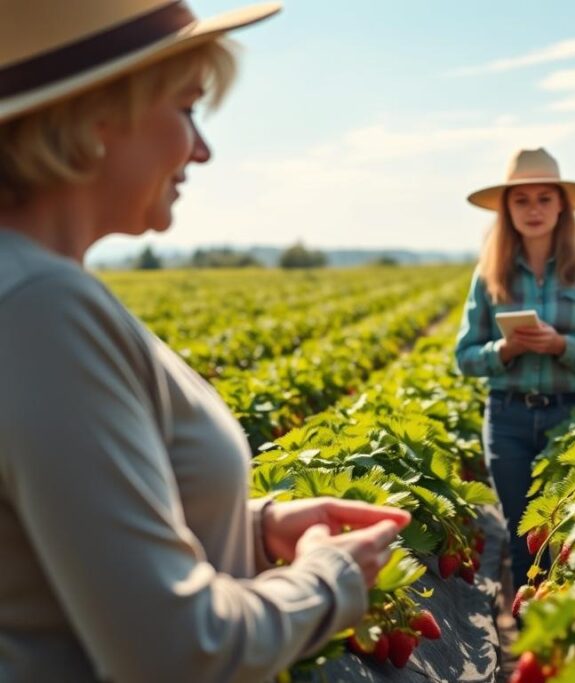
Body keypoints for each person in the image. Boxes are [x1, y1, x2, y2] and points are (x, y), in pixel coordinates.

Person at [0, 3, 410, 681]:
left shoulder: (34, 290)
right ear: (99, 114)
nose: (202, 147)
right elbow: (178, 653)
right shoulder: (42, 308)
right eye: (187, 108)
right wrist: (329, 580)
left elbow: (60, 544)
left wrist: (251, 527)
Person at [455, 148, 575, 589]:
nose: (534, 210)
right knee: (521, 537)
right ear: (507, 209)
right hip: (507, 419)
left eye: (544, 199)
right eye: (522, 200)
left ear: (562, 206)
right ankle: (533, 635)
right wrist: (505, 350)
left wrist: (562, 345)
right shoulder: (490, 273)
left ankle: (567, 635)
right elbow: (465, 357)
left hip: (570, 418)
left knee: (569, 535)